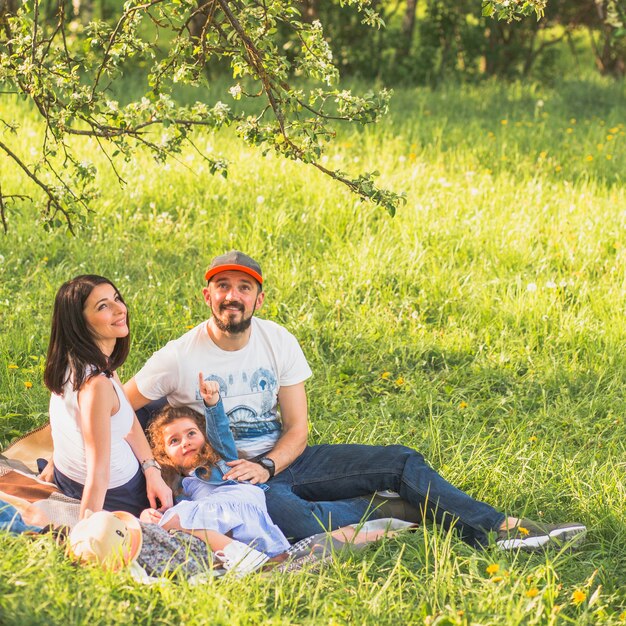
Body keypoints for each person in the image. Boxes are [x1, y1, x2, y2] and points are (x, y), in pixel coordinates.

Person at [124, 251, 586, 550]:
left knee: (401, 461)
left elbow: (298, 428)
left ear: (259, 299)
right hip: (234, 482)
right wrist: (151, 467)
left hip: (285, 462)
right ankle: (393, 507)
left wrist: (267, 465)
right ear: (208, 295)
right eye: (223, 286)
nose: (233, 296)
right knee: (298, 525)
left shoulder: (278, 340)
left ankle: (498, 530)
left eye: (243, 288)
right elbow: (119, 408)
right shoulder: (179, 356)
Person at [43, 275, 173, 519]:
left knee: (152, 405)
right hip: (120, 493)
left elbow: (127, 416)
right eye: (103, 306)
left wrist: (151, 470)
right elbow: (98, 473)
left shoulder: (70, 360)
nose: (119, 309)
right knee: (175, 409)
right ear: (79, 323)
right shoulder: (97, 386)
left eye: (116, 299)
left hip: (66, 474)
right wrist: (86, 532)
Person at [139, 374, 290, 573]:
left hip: (234, 501)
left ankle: (246, 559)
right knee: (168, 525)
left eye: (191, 433)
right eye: (174, 441)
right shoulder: (175, 484)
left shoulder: (220, 459)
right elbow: (166, 510)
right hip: (222, 523)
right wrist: (148, 515)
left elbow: (220, 430)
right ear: (163, 454)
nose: (185, 442)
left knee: (174, 521)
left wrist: (212, 403)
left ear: (204, 435)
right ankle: (251, 559)